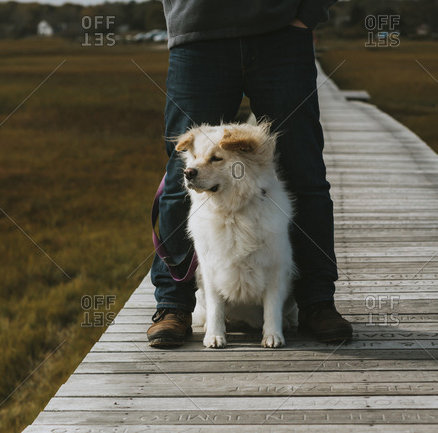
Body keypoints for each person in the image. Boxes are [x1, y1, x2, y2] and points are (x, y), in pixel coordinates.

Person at [147, 0, 353, 348]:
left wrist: (308, 14)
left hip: (282, 34)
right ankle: (173, 304)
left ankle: (317, 302)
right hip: (197, 35)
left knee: (306, 175)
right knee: (180, 176)